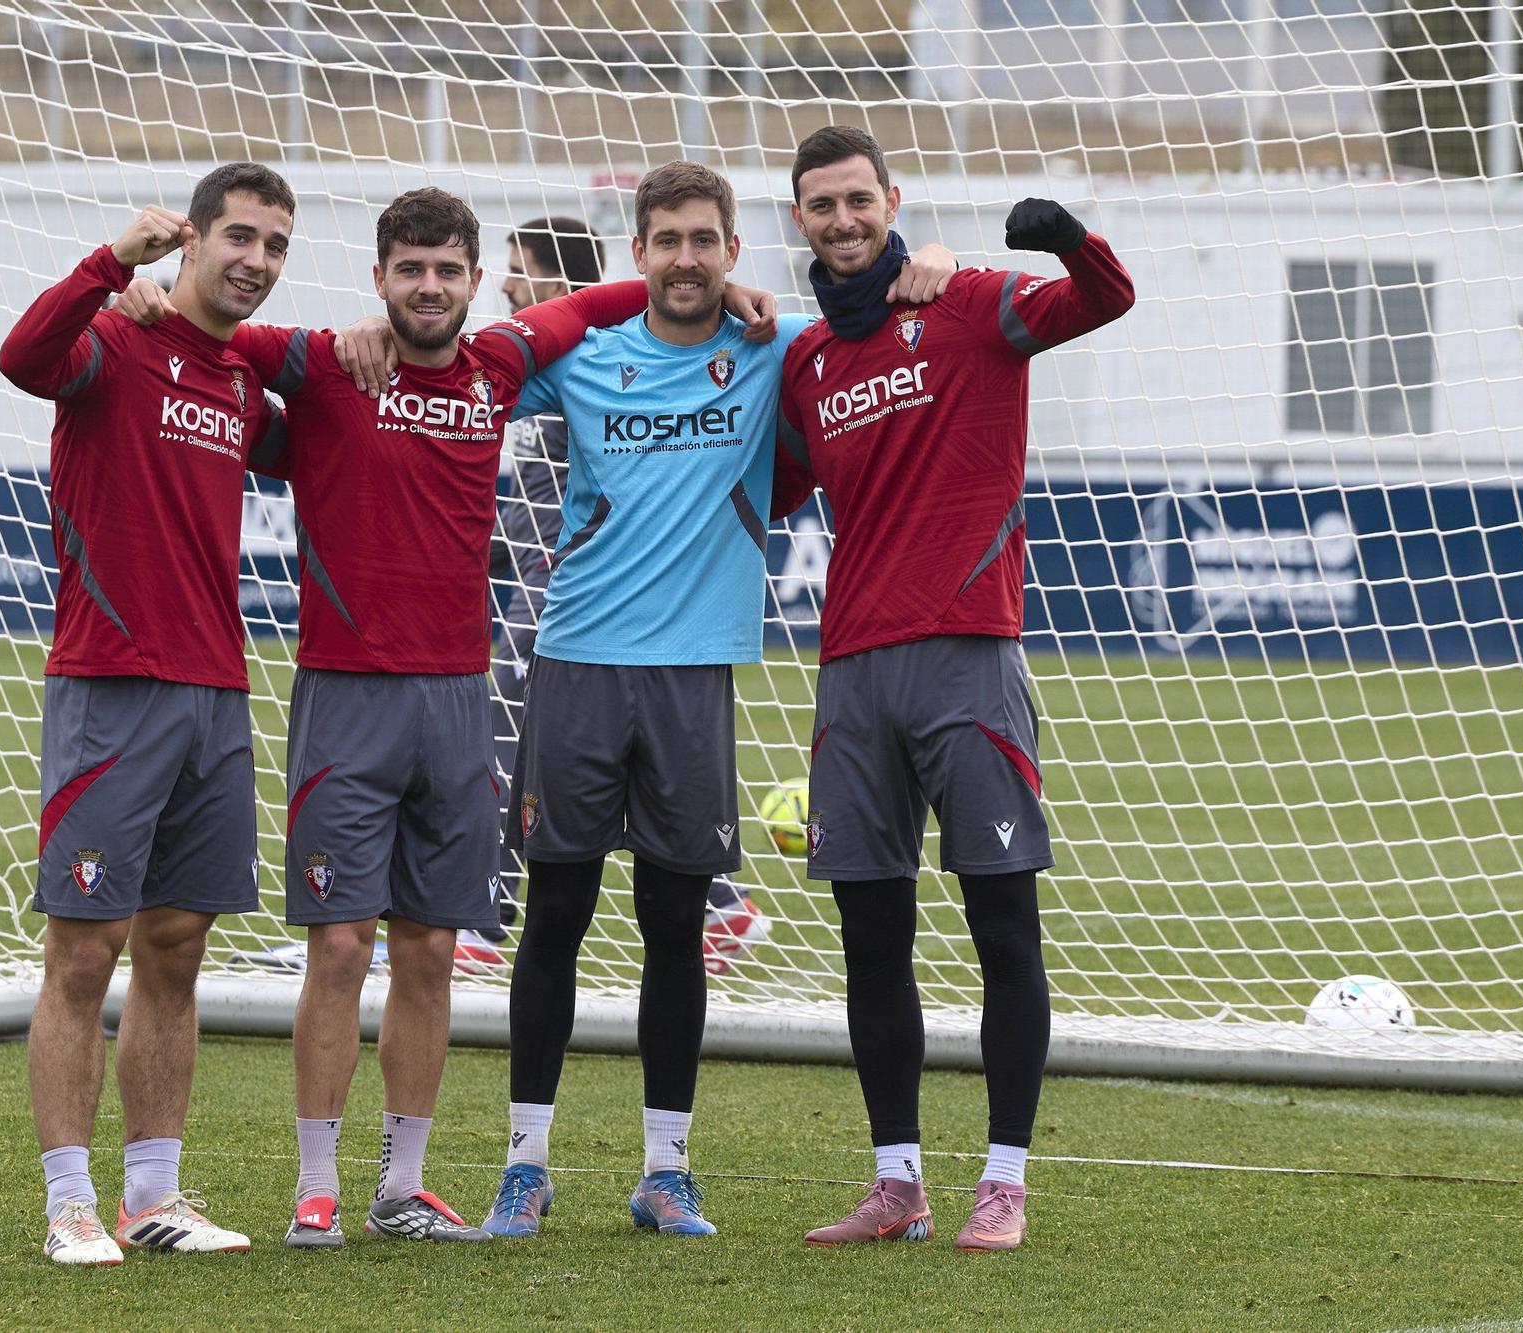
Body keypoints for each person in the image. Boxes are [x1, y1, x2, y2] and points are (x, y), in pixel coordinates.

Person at [116, 187, 777, 1247]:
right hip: (343, 699)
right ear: (378, 277)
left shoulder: (503, 365)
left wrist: (722, 284)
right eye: (408, 270)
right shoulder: (325, 360)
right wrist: (139, 289)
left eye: (448, 271)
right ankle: (317, 1187)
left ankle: (405, 1186)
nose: (429, 288)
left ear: (475, 283)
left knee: (428, 947)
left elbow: (615, 293)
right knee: (339, 948)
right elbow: (218, 321)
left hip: (459, 704)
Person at [480, 161, 955, 1239]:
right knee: (552, 914)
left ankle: (664, 1170)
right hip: (576, 665)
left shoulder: (772, 349)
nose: (686, 258)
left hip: (695, 677)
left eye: (704, 239)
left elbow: (870, 305)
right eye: (666, 241)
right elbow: (486, 362)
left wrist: (928, 262)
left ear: (734, 252)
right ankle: (523, 1164)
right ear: (638, 252)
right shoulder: (588, 357)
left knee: (672, 928)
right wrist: (580, 300)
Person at [771, 126, 1134, 1252]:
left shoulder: (972, 303)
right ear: (799, 221)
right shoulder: (803, 364)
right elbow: (762, 483)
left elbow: (1105, 298)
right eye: (819, 206)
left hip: (968, 657)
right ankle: (895, 1183)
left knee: (1000, 922)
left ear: (890, 199)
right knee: (868, 933)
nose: (841, 221)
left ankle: (1004, 1180)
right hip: (850, 676)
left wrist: (1065, 236)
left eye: (856, 200)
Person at [0, 162, 302, 1266]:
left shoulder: (237, 384)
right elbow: (22, 356)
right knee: (83, 955)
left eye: (274, 245)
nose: (255, 261)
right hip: (109, 688)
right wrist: (108, 265)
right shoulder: (107, 339)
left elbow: (325, 429)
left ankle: (153, 1198)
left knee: (176, 947)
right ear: (189, 241)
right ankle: (69, 1204)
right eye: (239, 236)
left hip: (216, 693)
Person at [466, 218, 767, 977]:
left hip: (572, 593)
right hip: (539, 578)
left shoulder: (592, 355)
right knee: (509, 732)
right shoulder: (561, 361)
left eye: (517, 268)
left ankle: (487, 916)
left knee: (503, 731)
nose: (506, 283)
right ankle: (724, 902)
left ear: (558, 284)